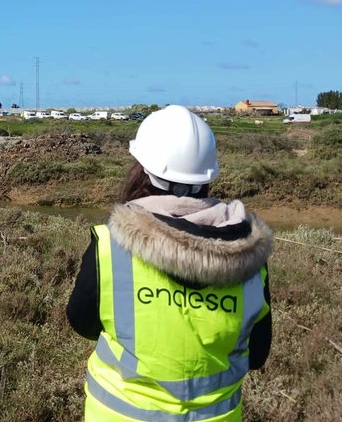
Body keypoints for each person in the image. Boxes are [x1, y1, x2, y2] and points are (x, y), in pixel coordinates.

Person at [67, 105, 273, 422]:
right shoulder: (250, 259)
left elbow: (82, 322)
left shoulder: (110, 246)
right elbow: (257, 354)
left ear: (142, 169)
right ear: (208, 176)